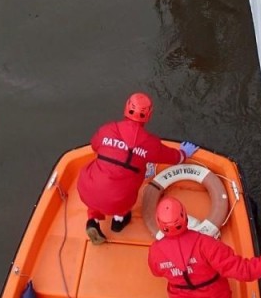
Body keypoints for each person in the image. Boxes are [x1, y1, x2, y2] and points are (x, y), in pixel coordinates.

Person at [77, 92, 199, 245]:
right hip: (118, 200)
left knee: (97, 185)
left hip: (86, 189)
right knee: (122, 196)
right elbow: (173, 158)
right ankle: (118, 222)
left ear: (126, 108)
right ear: (149, 115)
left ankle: (92, 220)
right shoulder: (151, 143)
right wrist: (183, 153)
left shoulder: (107, 129)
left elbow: (95, 145)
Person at [148, 197, 261, 298]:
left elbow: (157, 272)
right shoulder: (206, 245)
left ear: (160, 224)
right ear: (185, 217)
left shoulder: (155, 251)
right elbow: (244, 271)